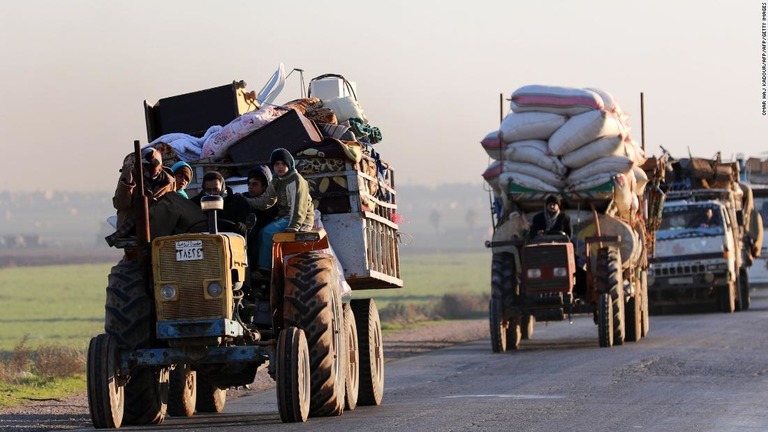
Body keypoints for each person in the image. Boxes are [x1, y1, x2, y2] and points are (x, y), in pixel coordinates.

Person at [242, 148, 315, 277]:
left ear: (289, 164)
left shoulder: (296, 180)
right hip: (285, 217)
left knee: (267, 232)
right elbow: (265, 202)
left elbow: (299, 208)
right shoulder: (277, 180)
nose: (280, 167)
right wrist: (245, 201)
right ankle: (257, 268)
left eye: (283, 164)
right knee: (258, 234)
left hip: (300, 219)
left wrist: (293, 227)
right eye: (276, 164)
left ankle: (265, 270)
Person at [190, 171, 252, 237]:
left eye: (215, 189)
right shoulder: (195, 204)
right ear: (204, 189)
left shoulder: (237, 201)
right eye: (208, 190)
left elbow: (249, 228)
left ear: (222, 187)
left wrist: (240, 227)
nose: (212, 193)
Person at [243, 166, 280, 272]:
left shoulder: (273, 203)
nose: (250, 187)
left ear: (265, 186)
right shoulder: (243, 199)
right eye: (249, 184)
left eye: (254, 184)